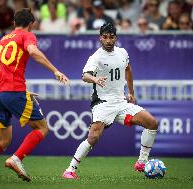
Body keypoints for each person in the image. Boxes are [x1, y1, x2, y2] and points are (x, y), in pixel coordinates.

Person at [0, 8, 69, 183]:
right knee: (42, 128)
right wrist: (55, 70)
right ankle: (16, 158)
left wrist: (22, 92)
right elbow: (34, 52)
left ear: (14, 22)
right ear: (31, 24)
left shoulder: (3, 40)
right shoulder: (27, 35)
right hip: (12, 90)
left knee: (3, 140)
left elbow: (2, 69)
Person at [62, 23, 158, 179]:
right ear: (100, 38)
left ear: (116, 38)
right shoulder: (96, 57)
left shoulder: (122, 53)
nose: (108, 40)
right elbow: (84, 75)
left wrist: (131, 92)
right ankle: (70, 170)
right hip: (103, 103)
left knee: (152, 123)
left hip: (121, 103)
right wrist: (95, 79)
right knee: (93, 137)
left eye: (111, 37)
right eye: (105, 37)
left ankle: (142, 161)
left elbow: (128, 69)